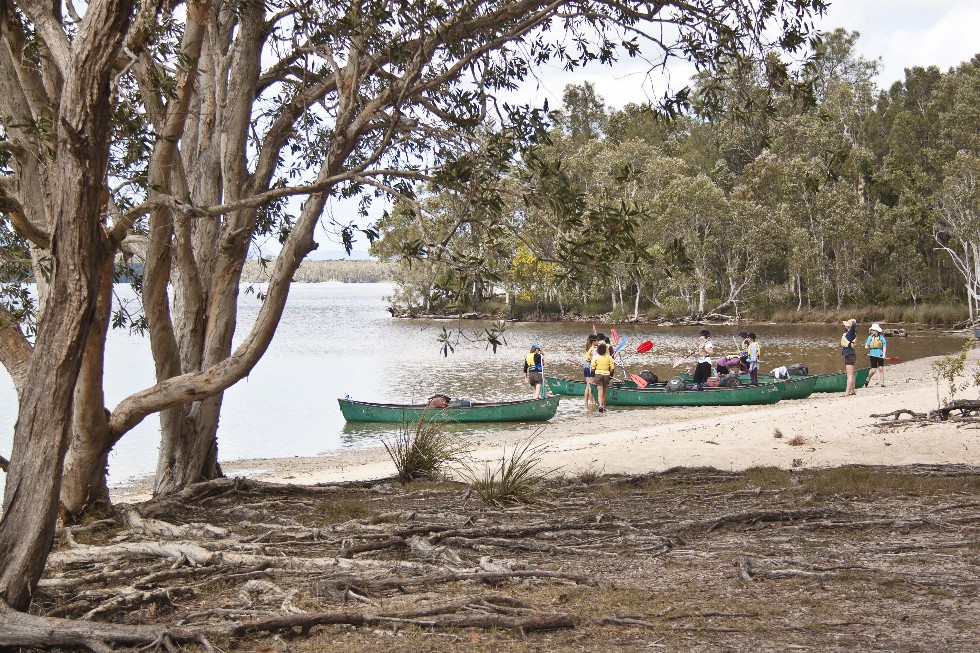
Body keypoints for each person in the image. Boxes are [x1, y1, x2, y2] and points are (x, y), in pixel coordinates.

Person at [590, 341, 616, 412]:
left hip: (598, 375)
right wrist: (610, 376)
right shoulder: (609, 357)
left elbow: (592, 368)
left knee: (599, 392)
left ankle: (600, 405)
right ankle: (604, 407)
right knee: (604, 393)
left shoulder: (596, 357)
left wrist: (593, 373)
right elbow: (612, 368)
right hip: (606, 375)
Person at [865, 323, 888, 387]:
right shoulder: (870, 337)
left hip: (880, 354)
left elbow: (884, 346)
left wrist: (884, 354)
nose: (872, 331)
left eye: (873, 330)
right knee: (873, 370)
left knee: (881, 368)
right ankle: (868, 378)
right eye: (872, 330)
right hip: (872, 354)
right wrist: (866, 346)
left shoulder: (881, 337)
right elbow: (866, 345)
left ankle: (882, 383)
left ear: (877, 330)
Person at [841, 319, 858, 396]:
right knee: (851, 374)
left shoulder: (851, 333)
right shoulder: (848, 333)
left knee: (849, 375)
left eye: (847, 325)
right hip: (849, 355)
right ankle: (853, 391)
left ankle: (847, 392)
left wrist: (852, 323)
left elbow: (854, 326)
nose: (845, 326)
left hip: (850, 355)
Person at [583, 334, 599, 407]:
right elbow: (594, 360)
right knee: (591, 385)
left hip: (586, 366)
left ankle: (586, 402)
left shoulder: (588, 347)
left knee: (587, 385)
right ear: (594, 341)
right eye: (597, 340)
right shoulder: (593, 349)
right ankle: (591, 401)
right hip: (590, 367)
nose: (598, 342)